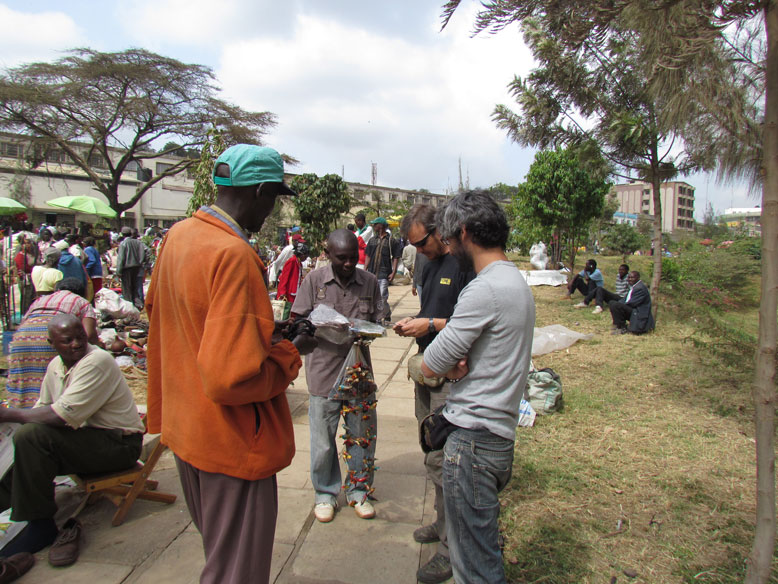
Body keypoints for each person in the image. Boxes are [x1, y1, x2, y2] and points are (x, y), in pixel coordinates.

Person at [146, 144, 316, 584]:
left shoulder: (178, 236)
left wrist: (263, 335)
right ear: (259, 191)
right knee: (236, 573)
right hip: (230, 441)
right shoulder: (234, 255)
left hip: (188, 428)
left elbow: (170, 319)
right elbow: (232, 380)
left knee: (220, 557)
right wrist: (289, 352)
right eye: (274, 196)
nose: (272, 207)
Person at [421, 190, 535, 584]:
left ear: (465, 232)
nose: (449, 248)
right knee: (480, 551)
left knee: (475, 568)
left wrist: (450, 368)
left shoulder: (484, 288)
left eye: (449, 239)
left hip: (472, 443)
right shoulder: (515, 281)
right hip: (498, 437)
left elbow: (432, 362)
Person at [0, 314, 144, 567]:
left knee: (31, 437)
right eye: (67, 340)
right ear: (52, 343)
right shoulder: (56, 365)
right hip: (88, 440)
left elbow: (61, 415)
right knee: (24, 443)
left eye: (80, 337)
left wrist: (8, 414)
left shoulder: (97, 360)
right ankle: (12, 507)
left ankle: (41, 525)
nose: (76, 344)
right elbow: (42, 408)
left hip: (119, 445)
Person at [394, 204, 474, 584]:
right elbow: (432, 310)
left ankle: (450, 550)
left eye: (422, 243)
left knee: (446, 461)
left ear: (439, 231)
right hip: (426, 367)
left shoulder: (464, 265)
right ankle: (442, 524)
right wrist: (416, 323)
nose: (419, 251)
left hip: (452, 374)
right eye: (413, 246)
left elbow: (469, 324)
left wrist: (430, 324)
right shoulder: (426, 265)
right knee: (431, 451)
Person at [291, 229, 381, 523]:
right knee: (323, 440)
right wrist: (318, 325)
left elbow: (378, 319)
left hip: (358, 372)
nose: (348, 263)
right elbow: (298, 319)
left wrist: (368, 329)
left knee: (361, 435)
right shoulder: (314, 281)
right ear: (328, 254)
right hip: (323, 371)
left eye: (353, 257)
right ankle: (325, 494)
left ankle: (359, 490)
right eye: (342, 258)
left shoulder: (369, 281)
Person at [6, 277, 101, 409]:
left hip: (21, 338)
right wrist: (101, 349)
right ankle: (50, 412)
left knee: (25, 380)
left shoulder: (40, 300)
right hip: (53, 337)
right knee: (52, 379)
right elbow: (89, 335)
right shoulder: (82, 302)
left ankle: (21, 413)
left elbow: (24, 321)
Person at [364, 217, 402, 323]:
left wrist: (393, 272)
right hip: (372, 273)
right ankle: (386, 313)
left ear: (381, 226)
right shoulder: (372, 240)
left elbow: (396, 257)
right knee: (373, 297)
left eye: (375, 224)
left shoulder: (391, 241)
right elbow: (368, 255)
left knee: (382, 297)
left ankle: (379, 318)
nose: (374, 226)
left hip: (384, 274)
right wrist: (365, 269)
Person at [115, 227, 147, 309]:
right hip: (136, 268)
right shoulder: (138, 242)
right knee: (134, 288)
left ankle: (129, 306)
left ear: (123, 234)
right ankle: (138, 305)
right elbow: (144, 253)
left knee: (127, 289)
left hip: (127, 269)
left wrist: (118, 272)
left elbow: (121, 258)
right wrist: (140, 263)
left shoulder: (123, 243)